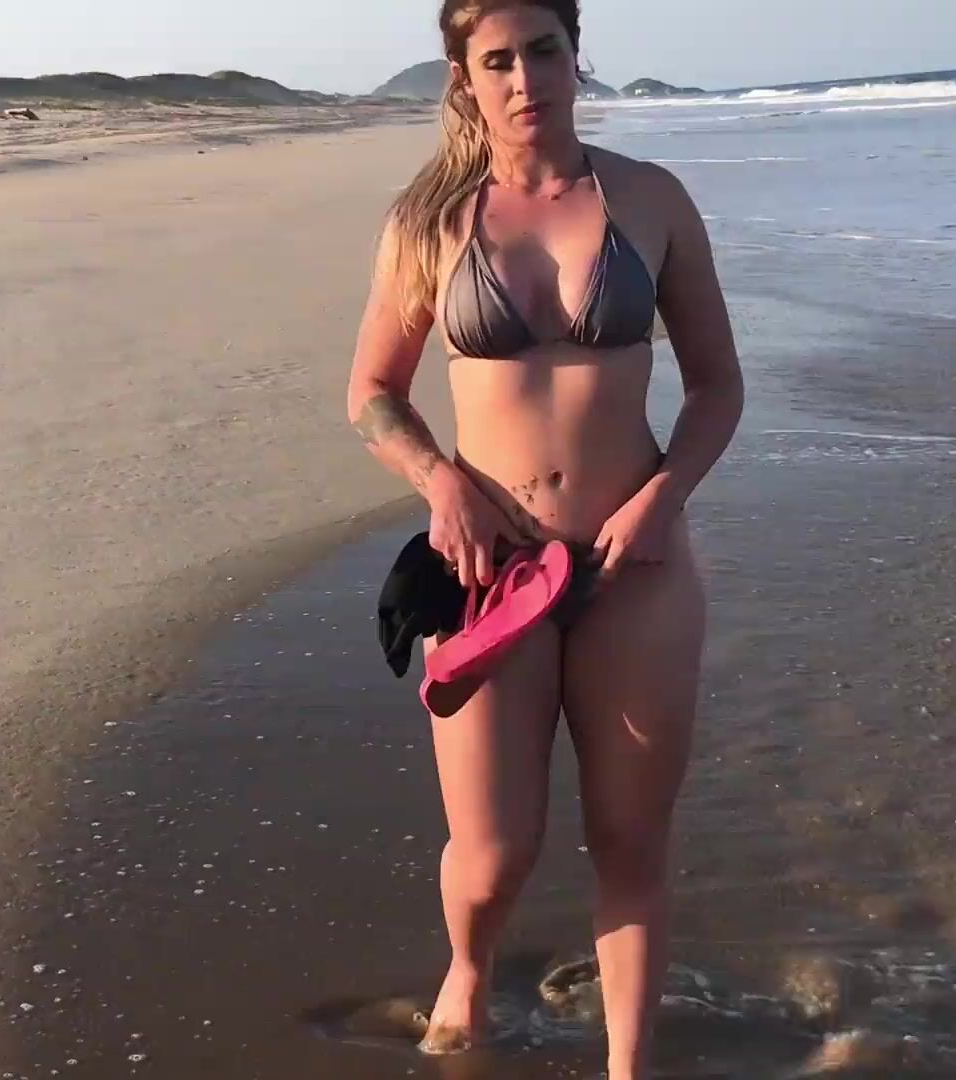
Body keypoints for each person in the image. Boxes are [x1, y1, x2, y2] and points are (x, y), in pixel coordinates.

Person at [345, 1, 743, 1076]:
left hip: (636, 567)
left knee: (630, 842)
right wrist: (440, 482)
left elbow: (716, 387)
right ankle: (469, 970)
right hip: (488, 574)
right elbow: (373, 393)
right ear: (464, 78)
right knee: (494, 851)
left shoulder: (651, 200)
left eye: (544, 51)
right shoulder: (427, 221)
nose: (526, 78)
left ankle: (628, 1065)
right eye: (499, 61)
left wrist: (661, 499)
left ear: (575, 55)